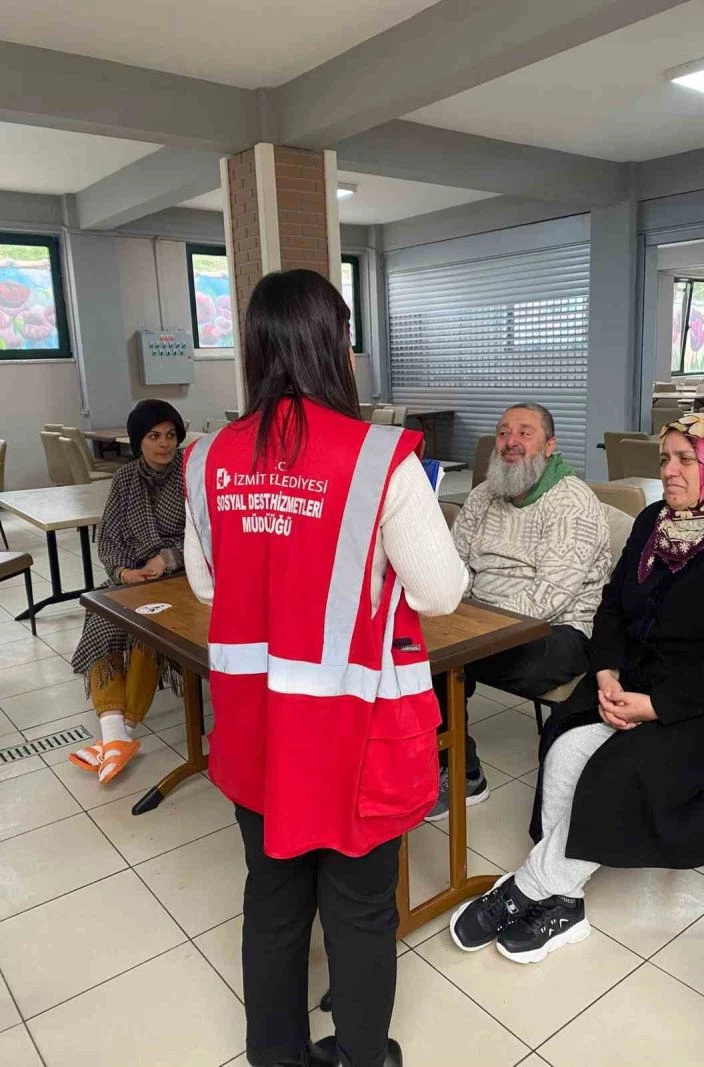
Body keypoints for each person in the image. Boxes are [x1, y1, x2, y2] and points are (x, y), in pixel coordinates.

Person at [182, 269, 467, 1067]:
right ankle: (363, 1055)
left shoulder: (207, 458)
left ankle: (274, 1055)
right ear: (334, 345)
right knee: (360, 909)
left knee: (272, 903)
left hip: (257, 728)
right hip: (356, 731)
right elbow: (442, 592)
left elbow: (208, 585)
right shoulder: (379, 459)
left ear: (254, 348)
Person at [449, 413, 704, 964]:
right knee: (565, 745)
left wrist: (657, 707)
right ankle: (565, 904)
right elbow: (613, 605)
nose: (671, 471)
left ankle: (525, 890)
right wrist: (608, 671)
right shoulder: (656, 522)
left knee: (619, 770)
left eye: (686, 460)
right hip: (638, 678)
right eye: (666, 459)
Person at [426, 402, 611, 820]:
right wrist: (458, 616)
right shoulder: (483, 495)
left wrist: (467, 629)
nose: (511, 442)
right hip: (483, 621)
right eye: (504, 432)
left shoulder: (572, 504)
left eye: (525, 433)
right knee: (415, 645)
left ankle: (458, 773)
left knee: (439, 659)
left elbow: (549, 598)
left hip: (558, 632)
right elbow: (457, 566)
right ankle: (451, 765)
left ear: (549, 446)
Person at [69, 399, 187, 783]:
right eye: (154, 436)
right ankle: (115, 735)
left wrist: (165, 560)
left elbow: (208, 536)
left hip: (181, 575)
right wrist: (122, 571)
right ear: (139, 441)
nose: (164, 444)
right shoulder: (124, 480)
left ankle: (119, 735)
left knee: (147, 630)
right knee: (103, 621)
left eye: (170, 435)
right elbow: (109, 539)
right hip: (132, 576)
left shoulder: (191, 474)